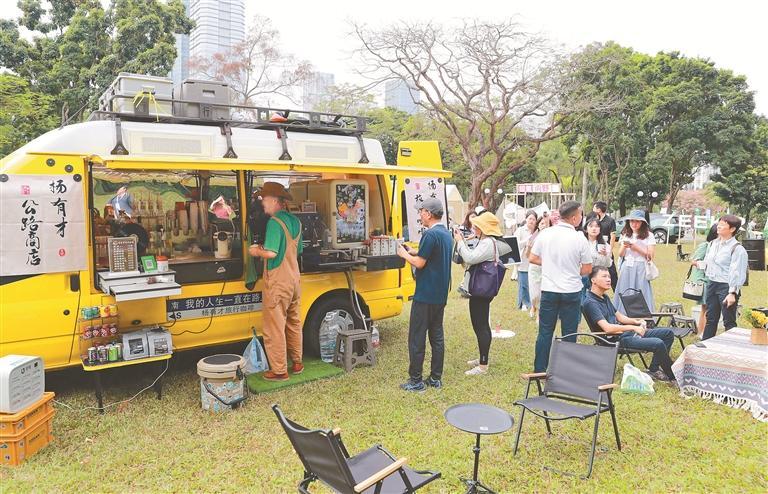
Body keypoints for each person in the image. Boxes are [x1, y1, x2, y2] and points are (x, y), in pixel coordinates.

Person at [248, 182, 303, 381]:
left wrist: (255, 250)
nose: (262, 203)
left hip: (278, 281)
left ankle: (279, 370)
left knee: (274, 326)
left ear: (274, 200)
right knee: (294, 321)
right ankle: (297, 362)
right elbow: (298, 250)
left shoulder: (273, 223)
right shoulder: (296, 221)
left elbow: (271, 253)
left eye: (264, 199)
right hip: (294, 278)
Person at [396, 197, 453, 392]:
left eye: (421, 211)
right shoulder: (445, 234)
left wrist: (403, 255)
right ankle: (435, 378)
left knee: (417, 337)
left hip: (425, 294)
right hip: (440, 295)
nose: (419, 215)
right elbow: (429, 255)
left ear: (428, 213)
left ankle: (416, 380)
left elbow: (420, 263)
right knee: (436, 336)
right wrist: (413, 251)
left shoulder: (429, 235)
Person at [582, 266, 676, 383]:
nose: (609, 279)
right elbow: (607, 328)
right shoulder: (590, 303)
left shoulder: (604, 297)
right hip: (614, 341)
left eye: (609, 277)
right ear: (593, 280)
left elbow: (620, 317)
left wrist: (637, 321)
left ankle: (653, 369)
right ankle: (673, 376)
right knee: (658, 343)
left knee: (667, 334)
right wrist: (633, 328)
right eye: (604, 276)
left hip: (626, 334)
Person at [529, 201, 592, 373]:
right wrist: (570, 267)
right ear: (573, 218)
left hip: (549, 290)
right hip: (571, 291)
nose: (581, 218)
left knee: (545, 332)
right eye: (580, 215)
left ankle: (540, 369)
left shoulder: (546, 234)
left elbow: (532, 258)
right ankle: (566, 370)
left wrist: (550, 264)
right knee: (569, 333)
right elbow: (587, 269)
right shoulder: (579, 238)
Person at [453, 212, 512, 376]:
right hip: (481, 289)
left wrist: (459, 242)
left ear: (483, 227)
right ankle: (481, 359)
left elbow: (470, 258)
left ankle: (483, 365)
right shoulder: (487, 241)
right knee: (480, 324)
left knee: (481, 326)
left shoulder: (487, 243)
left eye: (477, 225)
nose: (474, 227)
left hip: (481, 290)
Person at [700, 215, 749, 341]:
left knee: (728, 320)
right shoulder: (712, 244)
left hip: (726, 287)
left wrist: (732, 292)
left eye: (723, 224)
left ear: (732, 229)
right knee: (711, 318)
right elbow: (708, 263)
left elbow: (737, 272)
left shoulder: (737, 249)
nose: (719, 226)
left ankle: (731, 347)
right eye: (719, 223)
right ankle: (705, 346)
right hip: (712, 283)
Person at [614, 210, 656, 314]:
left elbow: (650, 256)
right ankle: (622, 314)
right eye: (631, 221)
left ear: (642, 223)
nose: (634, 224)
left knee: (641, 290)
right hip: (627, 266)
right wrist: (624, 246)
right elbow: (620, 254)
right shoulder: (626, 234)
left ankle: (642, 315)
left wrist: (635, 247)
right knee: (624, 290)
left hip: (641, 266)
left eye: (637, 221)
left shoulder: (649, 235)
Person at [688, 224, 718, 334]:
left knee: (707, 309)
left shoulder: (718, 247)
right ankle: (702, 332)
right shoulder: (705, 245)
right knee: (706, 308)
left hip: (711, 280)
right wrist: (704, 264)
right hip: (703, 281)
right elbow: (693, 261)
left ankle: (702, 331)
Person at [581, 216, 613, 302]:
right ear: (586, 229)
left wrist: (605, 255)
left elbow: (608, 264)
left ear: (600, 229)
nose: (594, 229)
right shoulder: (581, 243)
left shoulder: (605, 245)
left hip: (597, 275)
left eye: (597, 226)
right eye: (591, 226)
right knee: (582, 300)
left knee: (595, 300)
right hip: (583, 274)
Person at [527, 214, 551, 321]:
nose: (544, 225)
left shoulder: (552, 238)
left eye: (546, 223)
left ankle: (539, 315)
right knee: (534, 294)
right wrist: (528, 246)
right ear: (538, 225)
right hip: (534, 269)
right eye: (542, 223)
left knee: (542, 293)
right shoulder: (533, 238)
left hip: (546, 269)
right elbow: (528, 256)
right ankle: (533, 306)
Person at [513, 210, 538, 311]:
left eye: (533, 219)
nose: (531, 221)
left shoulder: (537, 232)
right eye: (530, 219)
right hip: (522, 260)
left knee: (531, 284)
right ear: (526, 219)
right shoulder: (520, 230)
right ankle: (524, 303)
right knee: (523, 284)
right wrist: (527, 241)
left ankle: (527, 303)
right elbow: (515, 244)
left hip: (534, 261)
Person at [593, 201, 618, 288]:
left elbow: (613, 236)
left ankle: (616, 292)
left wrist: (610, 251)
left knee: (612, 272)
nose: (593, 209)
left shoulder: (610, 220)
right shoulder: (594, 220)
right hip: (595, 249)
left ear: (599, 209)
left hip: (606, 249)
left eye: (594, 207)